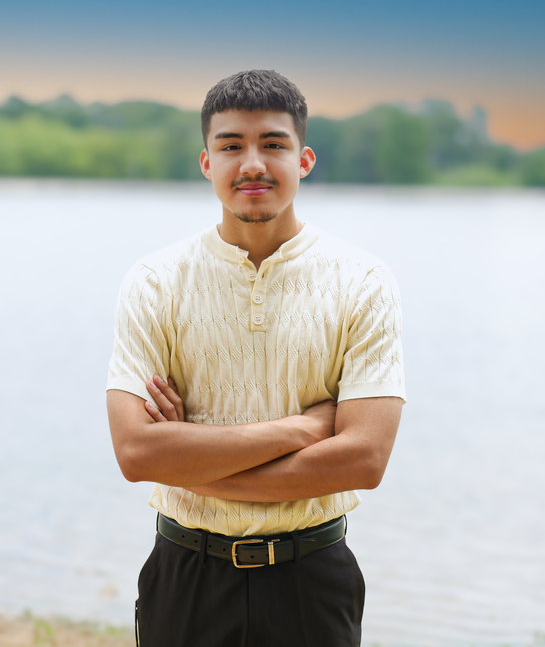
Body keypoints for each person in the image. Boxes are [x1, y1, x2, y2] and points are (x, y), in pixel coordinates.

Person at [106, 69, 405, 647]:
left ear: (305, 159)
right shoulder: (154, 282)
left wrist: (192, 457)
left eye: (273, 144)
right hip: (185, 574)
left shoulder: (363, 280)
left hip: (311, 579)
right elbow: (137, 451)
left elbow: (364, 460)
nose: (252, 164)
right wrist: (303, 428)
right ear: (205, 162)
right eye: (231, 146)